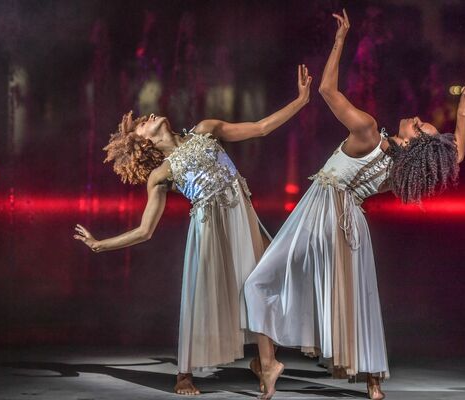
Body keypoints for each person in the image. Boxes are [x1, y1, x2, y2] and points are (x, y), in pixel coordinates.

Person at [244, 10, 465, 400]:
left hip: (321, 212)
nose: (418, 118)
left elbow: (327, 92)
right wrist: (462, 114)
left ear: (411, 143)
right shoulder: (399, 169)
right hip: (351, 224)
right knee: (359, 300)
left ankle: (269, 364)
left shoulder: (370, 132)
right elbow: (454, 158)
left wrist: (339, 40)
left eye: (421, 127)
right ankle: (373, 383)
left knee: (258, 282)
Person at [74, 65, 313, 395]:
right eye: (142, 123)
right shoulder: (160, 175)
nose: (149, 117)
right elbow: (145, 230)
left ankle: (267, 363)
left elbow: (259, 128)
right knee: (201, 297)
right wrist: (100, 245)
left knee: (258, 284)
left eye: (144, 117)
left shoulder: (205, 130)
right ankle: (183, 375)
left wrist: (301, 101)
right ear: (141, 143)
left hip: (240, 218)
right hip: (209, 231)